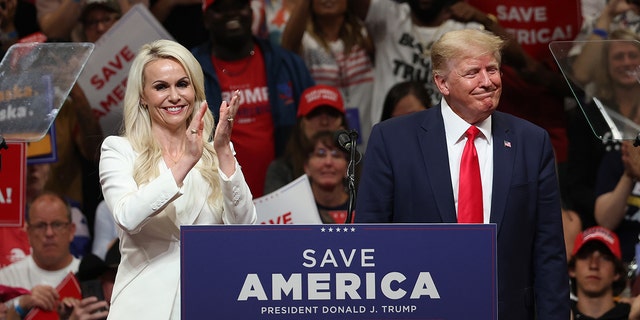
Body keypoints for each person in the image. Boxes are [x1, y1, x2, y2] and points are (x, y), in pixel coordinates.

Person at [354, 29, 569, 319]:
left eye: (492, 69)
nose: (487, 82)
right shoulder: (392, 140)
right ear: (442, 83)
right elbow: (371, 242)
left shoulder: (532, 142)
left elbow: (549, 252)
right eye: (472, 72)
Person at [99, 39, 257, 319]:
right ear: (143, 96)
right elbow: (128, 217)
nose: (174, 96)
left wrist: (222, 151)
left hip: (209, 301)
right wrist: (185, 162)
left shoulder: (218, 152)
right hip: (143, 307)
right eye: (161, 87)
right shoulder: (118, 150)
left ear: (195, 91)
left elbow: (245, 230)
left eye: (182, 84)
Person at [192, 0, 315, 198]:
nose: (231, 14)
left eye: (238, 6)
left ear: (251, 13)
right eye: (220, 9)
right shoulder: (191, 69)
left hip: (283, 193)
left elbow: (314, 126)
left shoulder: (286, 63)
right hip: (217, 196)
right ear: (206, 19)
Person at [281, 0, 374, 150]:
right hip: (325, 144)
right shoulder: (306, 42)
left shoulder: (364, 35)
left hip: (369, 132)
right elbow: (287, 48)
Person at [589, 29, 640, 264]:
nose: (627, 62)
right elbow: (605, 220)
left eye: (633, 55)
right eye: (619, 56)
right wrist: (630, 174)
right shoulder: (619, 156)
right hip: (620, 255)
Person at [0, 192, 80, 318]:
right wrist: (21, 305)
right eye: (40, 225)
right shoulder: (6, 279)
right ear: (28, 233)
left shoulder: (88, 277)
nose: (49, 233)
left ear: (71, 231)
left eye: (57, 224)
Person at [263, 84, 348, 194]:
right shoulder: (281, 170)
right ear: (301, 123)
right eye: (315, 114)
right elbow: (275, 210)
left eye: (331, 114)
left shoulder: (359, 165)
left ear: (342, 122)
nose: (324, 122)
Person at [569, 226, 630, 319]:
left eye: (605, 258)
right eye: (585, 256)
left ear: (617, 272)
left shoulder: (633, 315)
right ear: (572, 269)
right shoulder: (556, 313)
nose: (594, 265)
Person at [303, 130, 351, 223]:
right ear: (307, 167)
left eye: (336, 155)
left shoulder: (362, 210)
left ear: (347, 168)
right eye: (321, 154)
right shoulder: (293, 211)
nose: (328, 162)